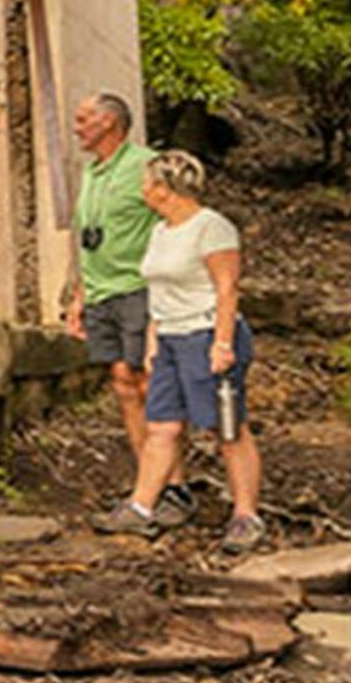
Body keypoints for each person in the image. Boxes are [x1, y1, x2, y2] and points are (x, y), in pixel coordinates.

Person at [92, 149, 266, 552]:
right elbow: (159, 289)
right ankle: (140, 507)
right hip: (170, 337)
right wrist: (154, 339)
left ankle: (246, 515)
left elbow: (227, 287)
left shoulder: (212, 227)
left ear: (163, 189)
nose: (142, 192)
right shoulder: (160, 231)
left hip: (206, 334)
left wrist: (222, 344)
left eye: (145, 185)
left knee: (225, 427)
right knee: (162, 426)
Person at [66, 93, 193, 525]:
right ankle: (148, 484)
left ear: (109, 122)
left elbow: (179, 218)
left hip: (141, 287)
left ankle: (175, 488)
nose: (77, 126)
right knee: (122, 382)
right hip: (102, 291)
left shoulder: (147, 164)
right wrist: (80, 297)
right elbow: (89, 238)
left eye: (84, 118)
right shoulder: (91, 172)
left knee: (151, 383)